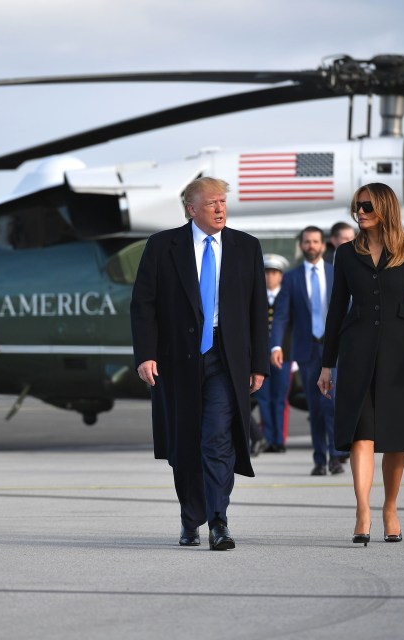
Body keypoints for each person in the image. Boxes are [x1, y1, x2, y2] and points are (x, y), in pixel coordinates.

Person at [130, 176, 268, 551]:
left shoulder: (246, 247)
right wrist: (146, 354)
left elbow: (258, 309)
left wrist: (259, 363)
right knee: (185, 443)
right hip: (178, 360)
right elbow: (143, 305)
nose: (221, 209)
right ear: (191, 209)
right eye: (212, 204)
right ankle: (191, 519)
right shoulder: (162, 246)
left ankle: (219, 520)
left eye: (223, 202)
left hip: (226, 356)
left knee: (218, 438)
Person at [316, 182, 404, 546]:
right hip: (356, 352)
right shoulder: (344, 254)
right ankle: (362, 510)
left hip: (400, 350)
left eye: (368, 206)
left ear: (385, 207)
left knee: (394, 435)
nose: (360, 211)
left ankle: (390, 508)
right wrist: (327, 365)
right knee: (362, 432)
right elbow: (336, 309)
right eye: (357, 206)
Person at [270, 227, 345, 476]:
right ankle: (319, 460)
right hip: (306, 350)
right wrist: (277, 345)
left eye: (315, 242)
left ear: (323, 246)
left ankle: (336, 456)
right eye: (307, 242)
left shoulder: (337, 274)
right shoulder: (290, 278)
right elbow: (281, 316)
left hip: (333, 347)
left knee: (332, 404)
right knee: (315, 407)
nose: (311, 246)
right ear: (301, 246)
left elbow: (349, 310)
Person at [254, 253, 292, 453]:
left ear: (281, 276)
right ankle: (267, 438)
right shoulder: (256, 297)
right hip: (261, 358)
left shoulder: (287, 297)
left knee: (280, 399)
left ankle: (280, 439)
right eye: (267, 272)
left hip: (284, 358)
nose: (270, 277)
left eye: (274, 273)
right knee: (263, 399)